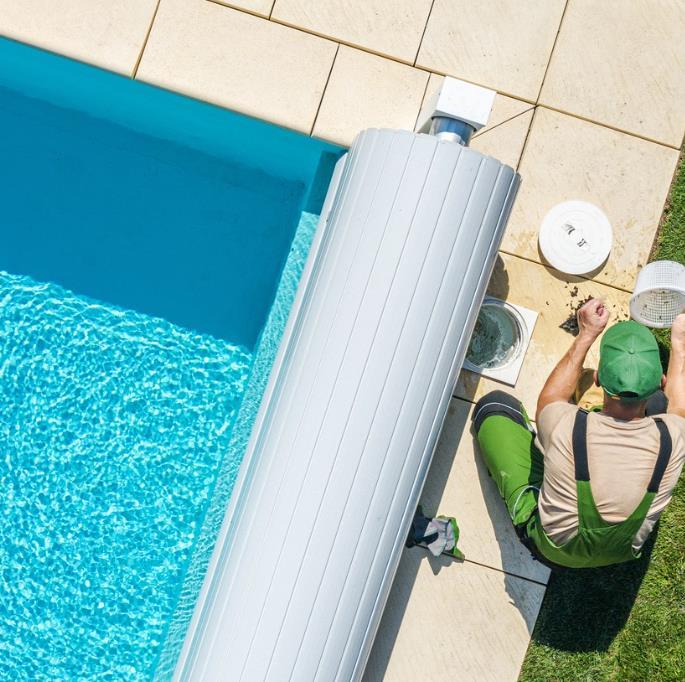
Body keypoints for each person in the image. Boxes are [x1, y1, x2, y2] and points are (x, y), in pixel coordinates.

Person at [472, 299, 685, 569]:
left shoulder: (567, 427)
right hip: (621, 551)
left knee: (495, 406)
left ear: (598, 378)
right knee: (659, 407)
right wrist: (679, 341)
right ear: (661, 382)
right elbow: (678, 403)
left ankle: (528, 515)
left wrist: (586, 334)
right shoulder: (674, 438)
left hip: (554, 550)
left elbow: (551, 397)